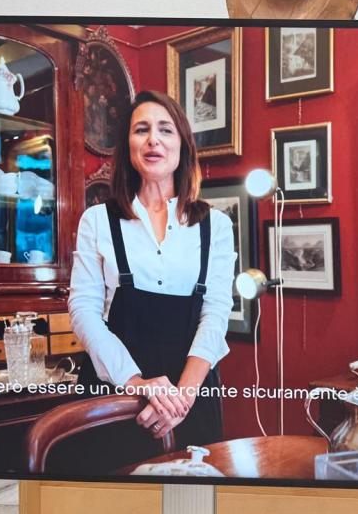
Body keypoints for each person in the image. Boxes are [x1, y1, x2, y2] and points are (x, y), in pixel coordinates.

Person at [69, 90, 237, 447]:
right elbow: (83, 311)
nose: (153, 140)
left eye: (165, 129)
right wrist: (135, 384)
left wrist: (181, 397)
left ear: (182, 145)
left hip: (190, 400)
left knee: (191, 497)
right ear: (128, 146)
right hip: (113, 393)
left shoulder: (216, 225)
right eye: (141, 129)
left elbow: (216, 312)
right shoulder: (97, 221)